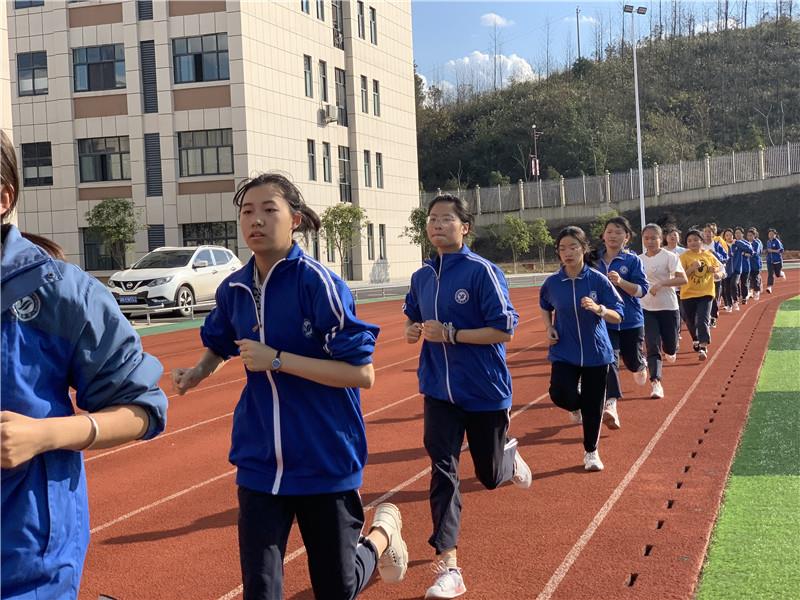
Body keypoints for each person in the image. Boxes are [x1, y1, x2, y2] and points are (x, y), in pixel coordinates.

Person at [172, 173, 407, 600]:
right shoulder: (234, 289)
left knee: (336, 588)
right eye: (247, 212)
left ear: (295, 220)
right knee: (261, 590)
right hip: (261, 458)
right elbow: (219, 343)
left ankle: (380, 538)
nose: (256, 220)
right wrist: (198, 372)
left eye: (269, 210)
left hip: (324, 458)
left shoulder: (318, 284)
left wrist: (277, 359)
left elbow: (361, 374)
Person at [1, 129, 169, 600]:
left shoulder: (63, 294)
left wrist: (44, 434)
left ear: (3, 198)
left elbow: (143, 409)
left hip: (25, 558)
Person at [403, 194, 531, 600]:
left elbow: (504, 329)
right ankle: (449, 565)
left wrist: (452, 334)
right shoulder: (422, 276)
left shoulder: (482, 271)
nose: (437, 225)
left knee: (489, 477)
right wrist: (412, 329)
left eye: (446, 219)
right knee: (442, 470)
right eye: (432, 219)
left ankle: (507, 458)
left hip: (483, 390)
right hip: (438, 391)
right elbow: (412, 313)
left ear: (465, 227)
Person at [540, 226, 624, 470]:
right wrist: (549, 327)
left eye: (573, 247)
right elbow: (545, 305)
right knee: (559, 394)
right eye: (562, 248)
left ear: (584, 249)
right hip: (564, 350)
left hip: (596, 352)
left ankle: (591, 452)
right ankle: (577, 406)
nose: (567, 253)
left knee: (593, 405)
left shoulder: (597, 280)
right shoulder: (553, 283)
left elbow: (618, 314)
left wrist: (599, 309)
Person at [591, 216, 649, 430]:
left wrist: (621, 282)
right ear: (603, 235)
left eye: (618, 232)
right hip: (604, 321)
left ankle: (640, 364)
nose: (613, 235)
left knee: (632, 361)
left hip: (630, 321)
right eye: (609, 231)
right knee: (609, 360)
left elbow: (642, 291)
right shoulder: (592, 260)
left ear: (627, 237)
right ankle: (611, 404)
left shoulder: (632, 261)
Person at [639, 224, 687, 399]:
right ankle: (656, 382)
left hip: (668, 307)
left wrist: (661, 284)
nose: (650, 241)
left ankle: (671, 350)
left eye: (654, 238)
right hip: (647, 308)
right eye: (646, 238)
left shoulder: (670, 257)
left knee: (671, 347)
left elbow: (683, 279)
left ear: (661, 238)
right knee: (652, 345)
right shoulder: (638, 260)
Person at [679, 229, 724, 361]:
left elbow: (720, 269)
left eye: (696, 240)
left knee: (703, 319)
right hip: (688, 294)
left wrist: (715, 272)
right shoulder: (684, 257)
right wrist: (692, 268)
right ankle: (696, 339)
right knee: (690, 320)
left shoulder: (708, 255)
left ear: (701, 241)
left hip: (706, 292)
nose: (693, 243)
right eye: (689, 241)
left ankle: (703, 346)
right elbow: (680, 276)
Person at [701, 224, 728, 326]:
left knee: (714, 297)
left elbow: (725, 257)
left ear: (713, 234)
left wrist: (714, 253)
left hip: (715, 275)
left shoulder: (717, 245)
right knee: (705, 297)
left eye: (709, 232)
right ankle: (707, 316)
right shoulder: (700, 244)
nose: (707, 234)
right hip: (703, 276)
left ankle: (713, 317)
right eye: (705, 232)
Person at [734, 227, 753, 304]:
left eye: (739, 233)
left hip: (745, 266)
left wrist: (744, 254)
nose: (737, 235)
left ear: (742, 234)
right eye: (736, 233)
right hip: (736, 266)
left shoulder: (746, 243)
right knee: (735, 282)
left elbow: (751, 253)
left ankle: (744, 297)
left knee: (744, 283)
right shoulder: (734, 243)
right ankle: (737, 297)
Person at [765, 228, 785, 293]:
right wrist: (767, 251)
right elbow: (768, 250)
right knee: (770, 274)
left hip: (777, 261)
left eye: (772, 234)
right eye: (769, 234)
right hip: (769, 261)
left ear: (775, 235)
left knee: (777, 274)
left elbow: (781, 250)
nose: (770, 235)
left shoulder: (777, 241)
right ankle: (769, 287)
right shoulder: (768, 242)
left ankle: (781, 273)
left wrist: (772, 250)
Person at [746, 227, 763, 301]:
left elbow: (755, 252)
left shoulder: (757, 243)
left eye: (751, 235)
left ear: (754, 236)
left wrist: (749, 254)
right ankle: (749, 291)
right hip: (748, 264)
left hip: (755, 264)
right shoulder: (746, 243)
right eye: (748, 235)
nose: (749, 237)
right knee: (748, 278)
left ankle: (757, 291)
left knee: (755, 278)